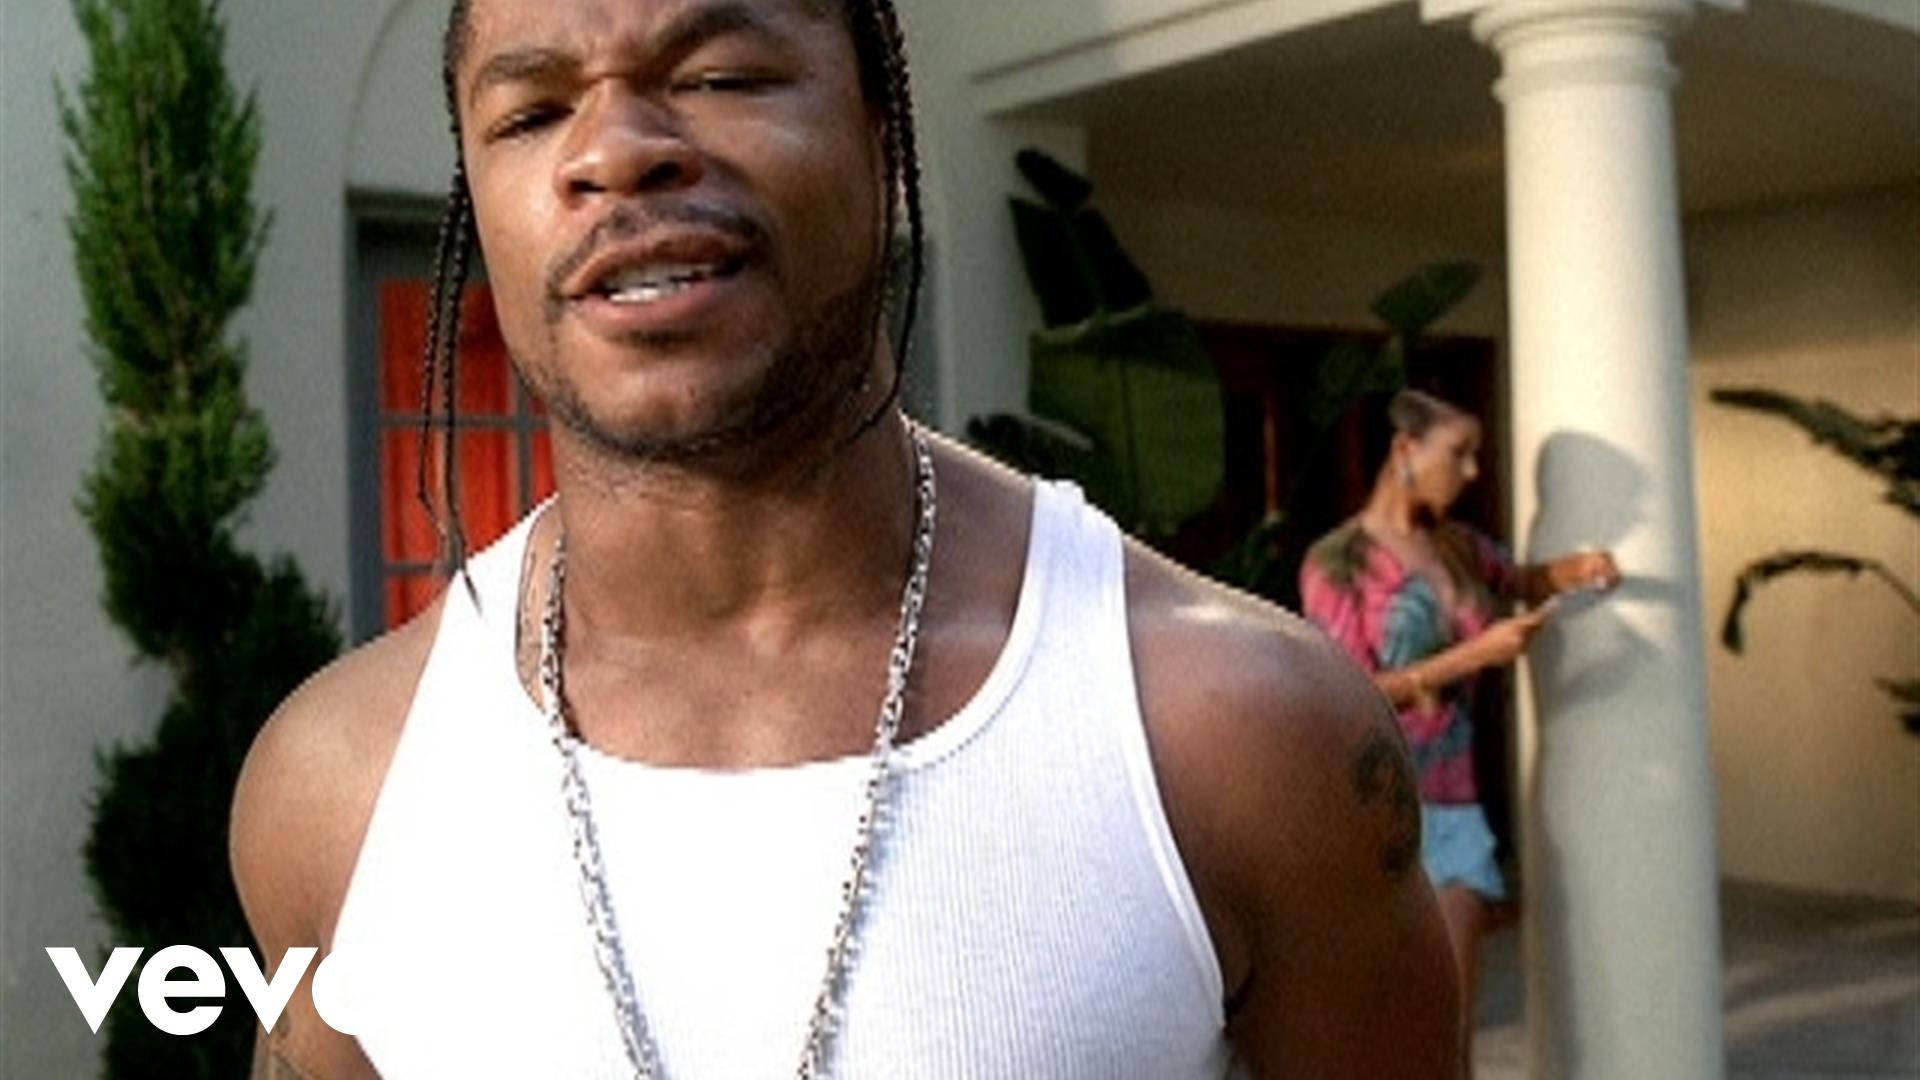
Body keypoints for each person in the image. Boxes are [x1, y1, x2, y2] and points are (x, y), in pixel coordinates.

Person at [230, 1, 1460, 1076]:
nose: (612, 151)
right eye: (533, 113)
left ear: (882, 135)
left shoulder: (1236, 731)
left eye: (720, 75)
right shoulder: (335, 789)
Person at [1299, 389, 1620, 1072]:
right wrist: (1474, 656)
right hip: (1372, 814)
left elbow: (1524, 577)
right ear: (1405, 451)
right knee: (1378, 1030)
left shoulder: (1459, 547)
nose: (1472, 472)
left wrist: (1579, 569)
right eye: (1460, 454)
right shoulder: (1337, 561)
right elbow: (1350, 692)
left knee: (1451, 1030)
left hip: (1455, 810)